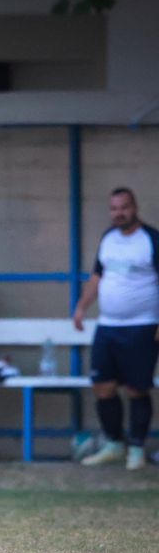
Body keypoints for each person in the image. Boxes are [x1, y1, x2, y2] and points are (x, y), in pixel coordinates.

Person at [73, 187, 159, 471]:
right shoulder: (108, 239)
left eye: (123, 207)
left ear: (134, 208)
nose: (118, 213)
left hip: (142, 326)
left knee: (137, 389)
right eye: (113, 208)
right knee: (102, 386)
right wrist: (82, 306)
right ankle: (114, 444)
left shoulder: (151, 239)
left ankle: (136, 450)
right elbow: (98, 276)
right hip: (108, 326)